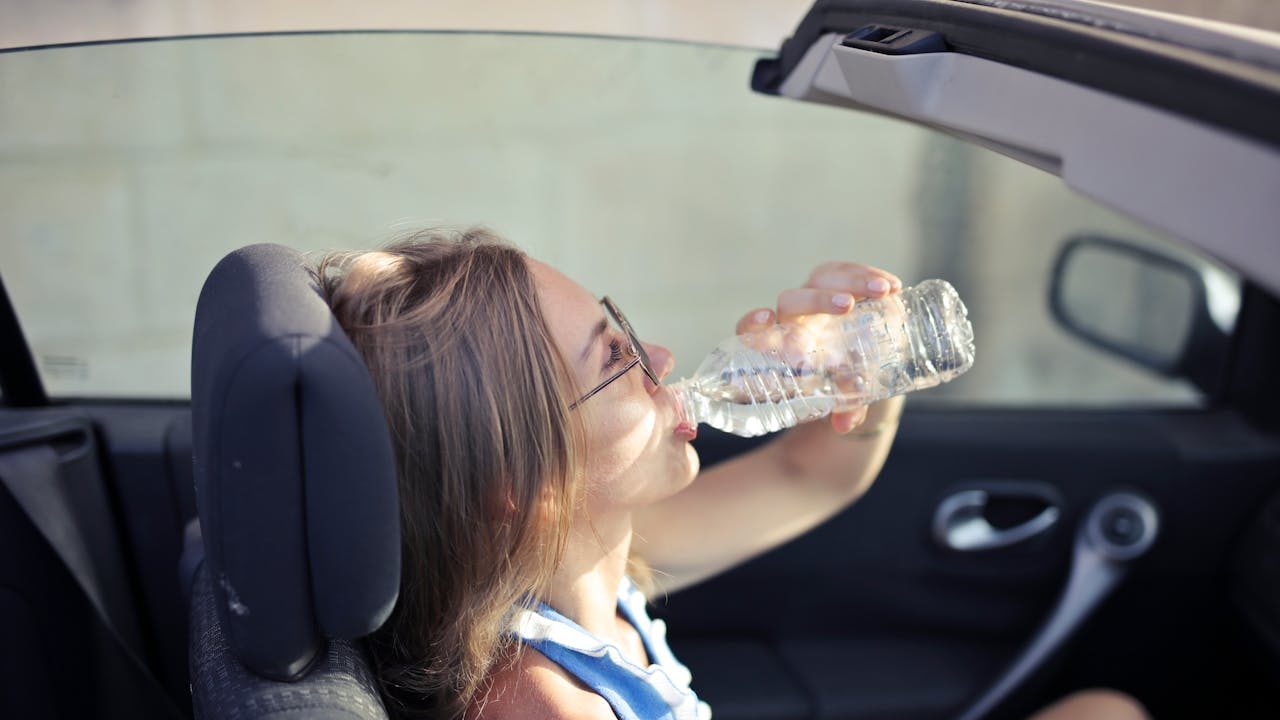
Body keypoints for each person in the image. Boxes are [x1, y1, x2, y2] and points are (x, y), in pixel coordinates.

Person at [316, 228, 1148, 720]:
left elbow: (811, 478)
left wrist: (864, 373)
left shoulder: (576, 564)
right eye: (617, 360)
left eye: (627, 331)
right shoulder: (539, 702)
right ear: (524, 481)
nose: (664, 360)